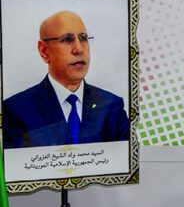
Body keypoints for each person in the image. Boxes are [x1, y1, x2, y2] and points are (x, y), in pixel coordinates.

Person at [2, 10, 129, 149]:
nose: (79, 49)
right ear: (44, 51)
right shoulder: (16, 110)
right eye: (67, 39)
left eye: (83, 38)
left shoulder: (112, 106)